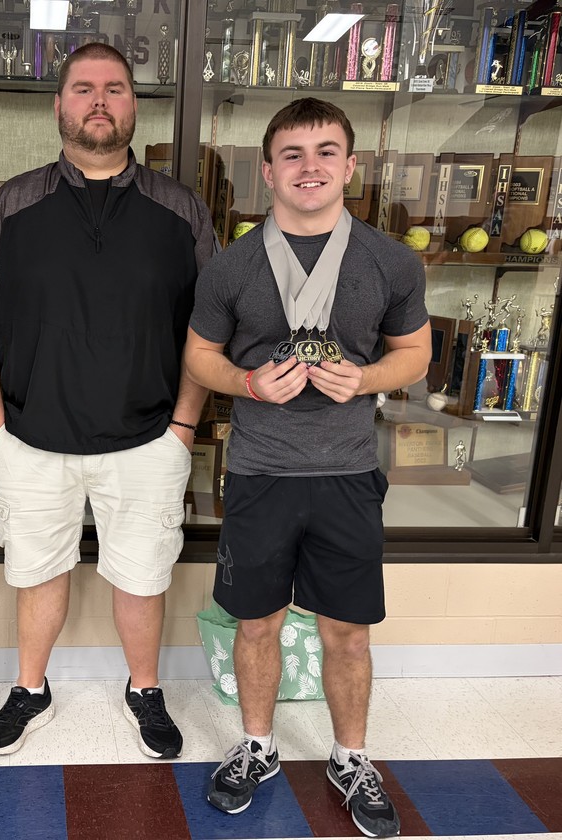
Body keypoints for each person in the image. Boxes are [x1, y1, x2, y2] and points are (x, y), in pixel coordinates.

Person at [0, 42, 215, 759]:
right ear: (58, 105)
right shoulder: (12, 207)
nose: (98, 101)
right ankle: (31, 689)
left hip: (148, 438)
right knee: (36, 574)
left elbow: (208, 334)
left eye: (114, 89)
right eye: (83, 88)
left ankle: (145, 689)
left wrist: (183, 425)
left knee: (145, 576)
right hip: (31, 438)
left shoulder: (181, 211)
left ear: (133, 105)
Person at [184, 98, 430, 838]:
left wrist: (368, 379)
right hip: (260, 472)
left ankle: (350, 756)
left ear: (350, 167)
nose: (311, 166)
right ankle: (258, 747)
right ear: (268, 172)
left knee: (347, 633)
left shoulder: (391, 261)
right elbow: (199, 356)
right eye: (293, 154)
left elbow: (413, 353)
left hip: (348, 474)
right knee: (254, 626)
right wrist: (250, 384)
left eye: (327, 152)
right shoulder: (231, 266)